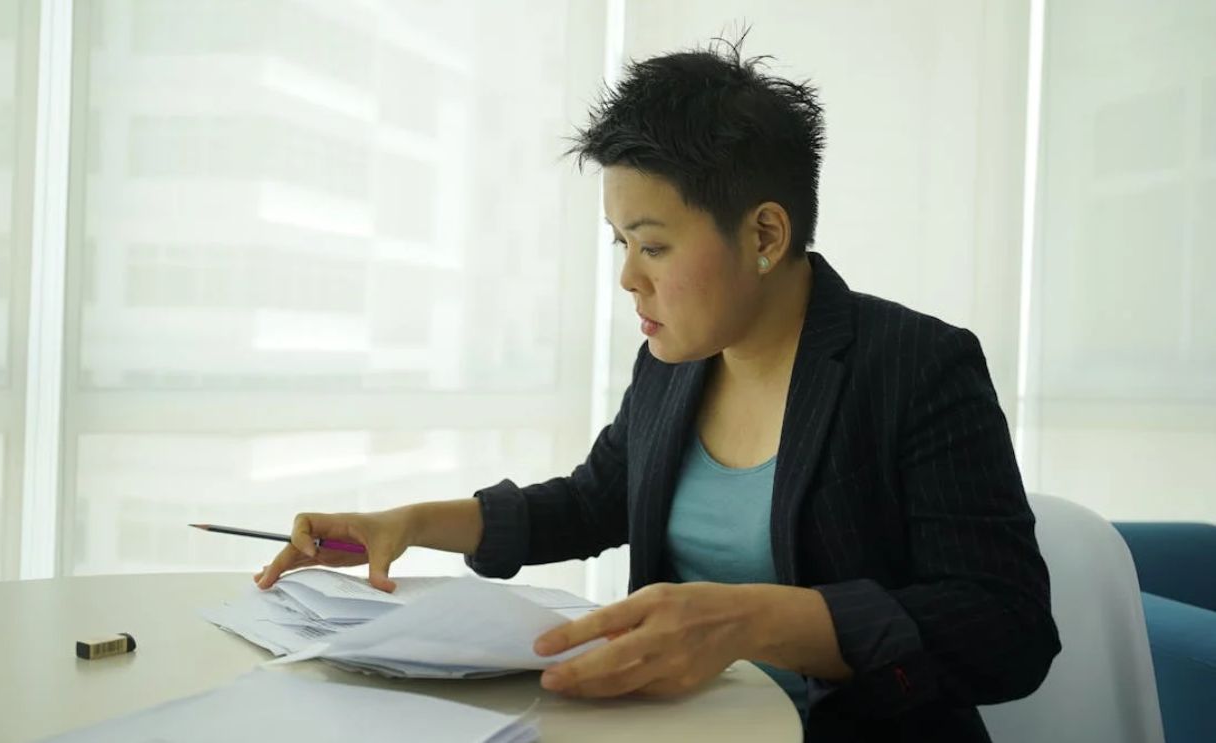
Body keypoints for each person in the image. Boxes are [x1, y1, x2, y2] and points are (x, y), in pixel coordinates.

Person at [255, 38, 1060, 742]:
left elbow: (1006, 628)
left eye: (653, 245)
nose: (627, 278)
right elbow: (591, 499)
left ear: (765, 235)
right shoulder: (674, 361)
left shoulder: (917, 365)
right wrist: (408, 522)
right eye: (620, 242)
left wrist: (751, 618)